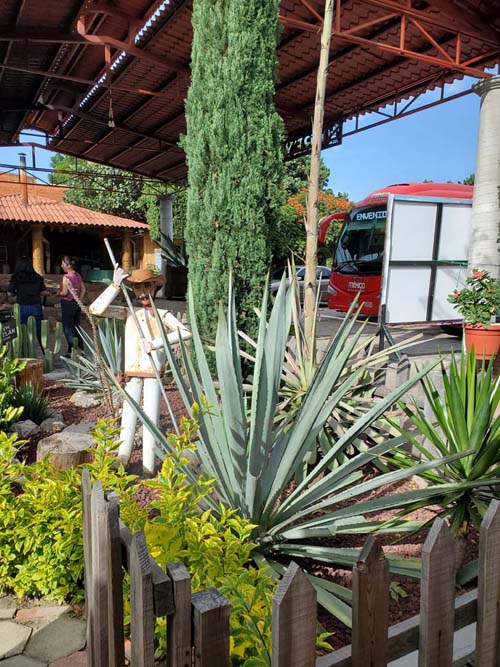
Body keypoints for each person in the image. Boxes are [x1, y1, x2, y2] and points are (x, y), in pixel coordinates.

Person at [89, 266, 191, 474]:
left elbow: (185, 332)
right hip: (132, 373)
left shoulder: (162, 314)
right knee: (128, 417)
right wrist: (115, 286)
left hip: (152, 372)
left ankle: (148, 466)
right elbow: (95, 310)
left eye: (147, 286)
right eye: (137, 287)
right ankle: (122, 459)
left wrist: (155, 343)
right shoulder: (128, 312)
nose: (143, 292)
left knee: (151, 418)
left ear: (154, 287)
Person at [8, 257, 48, 353]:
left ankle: (23, 353)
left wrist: (18, 292)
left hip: (22, 307)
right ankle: (45, 352)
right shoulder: (38, 277)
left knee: (21, 331)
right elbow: (44, 292)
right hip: (36, 306)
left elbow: (10, 293)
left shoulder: (16, 278)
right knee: (40, 332)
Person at [59, 255, 86, 356]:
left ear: (68, 265)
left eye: (63, 264)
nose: (62, 266)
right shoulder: (78, 275)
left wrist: (58, 293)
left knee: (67, 327)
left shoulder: (66, 277)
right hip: (76, 303)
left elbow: (64, 292)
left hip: (67, 303)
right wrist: (79, 299)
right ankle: (81, 348)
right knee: (76, 326)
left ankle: (72, 349)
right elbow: (83, 289)